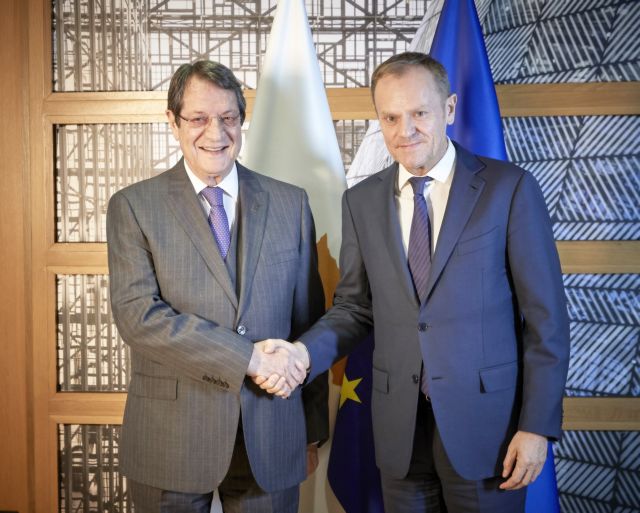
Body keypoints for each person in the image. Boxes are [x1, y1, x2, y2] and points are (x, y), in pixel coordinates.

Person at [257, 52, 570, 512]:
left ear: (449, 109)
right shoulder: (361, 201)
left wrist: (536, 426)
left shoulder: (509, 189)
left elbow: (546, 319)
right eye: (390, 117)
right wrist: (302, 354)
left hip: (488, 431)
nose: (405, 130)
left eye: (420, 113)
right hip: (399, 431)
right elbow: (355, 308)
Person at [107, 60, 328, 513]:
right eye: (198, 118)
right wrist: (248, 359)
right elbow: (138, 318)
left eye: (228, 117)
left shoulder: (290, 203)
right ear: (173, 122)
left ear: (242, 120)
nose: (216, 132)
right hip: (170, 438)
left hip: (271, 435)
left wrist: (310, 431)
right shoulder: (133, 206)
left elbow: (309, 318)